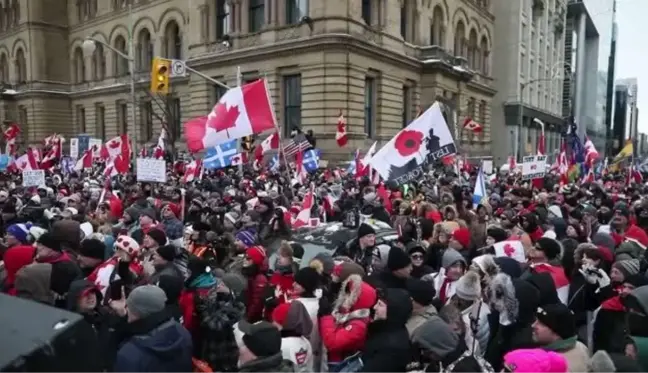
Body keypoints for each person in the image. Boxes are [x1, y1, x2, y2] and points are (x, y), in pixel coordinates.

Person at [111, 285, 193, 373]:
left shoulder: (129, 354)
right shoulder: (182, 333)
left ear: (137, 312)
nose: (127, 309)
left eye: (129, 307)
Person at [360, 288, 412, 373]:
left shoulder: (391, 349)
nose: (374, 307)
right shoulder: (387, 327)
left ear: (393, 311)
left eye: (380, 305)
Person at [532, 303, 589, 373]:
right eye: (536, 320)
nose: (533, 325)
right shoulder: (580, 346)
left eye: (541, 323)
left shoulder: (559, 367)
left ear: (557, 333)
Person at [271, 302, 314, 373]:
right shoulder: (305, 341)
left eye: (275, 322)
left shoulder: (281, 344)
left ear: (284, 323)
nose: (272, 324)